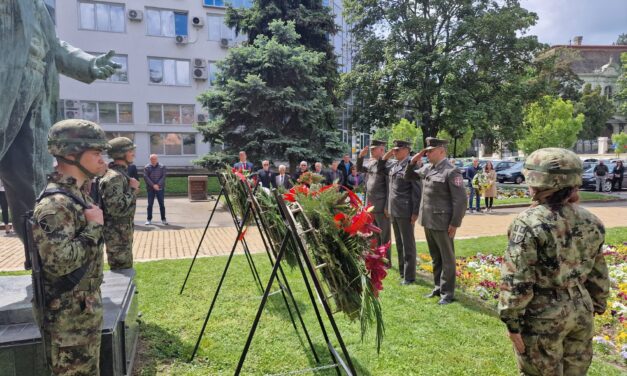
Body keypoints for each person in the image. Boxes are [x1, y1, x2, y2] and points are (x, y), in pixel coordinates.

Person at [0, 0, 120, 244]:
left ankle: (45, 260)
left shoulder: (38, 5)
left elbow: (53, 46)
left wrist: (89, 63)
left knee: (33, 177)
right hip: (5, 77)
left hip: (34, 87)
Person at [498, 147, 609, 375]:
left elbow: (517, 277)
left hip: (543, 315)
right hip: (581, 311)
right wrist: (597, 302)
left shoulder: (528, 223)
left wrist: (512, 322)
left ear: (537, 181)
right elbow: (599, 271)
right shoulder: (591, 220)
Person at [31, 119, 108, 375]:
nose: (101, 160)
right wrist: (95, 226)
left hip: (81, 310)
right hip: (67, 317)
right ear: (71, 154)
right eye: (96, 153)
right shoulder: (55, 204)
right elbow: (60, 261)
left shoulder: (77, 195)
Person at [406, 138, 467, 304]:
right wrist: (413, 161)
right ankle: (438, 288)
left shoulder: (451, 171)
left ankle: (447, 294)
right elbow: (409, 175)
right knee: (436, 257)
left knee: (447, 258)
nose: (427, 153)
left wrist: (455, 223)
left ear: (441, 151)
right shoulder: (428, 168)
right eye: (426, 151)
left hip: (443, 222)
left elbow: (460, 200)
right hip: (429, 220)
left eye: (430, 151)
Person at [98, 137, 139, 270]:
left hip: (121, 234)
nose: (133, 153)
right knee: (121, 270)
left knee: (124, 268)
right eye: (131, 150)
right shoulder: (115, 177)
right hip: (117, 236)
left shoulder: (119, 174)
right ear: (121, 153)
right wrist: (133, 189)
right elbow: (116, 209)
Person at [383, 140, 421, 284]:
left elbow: (417, 190)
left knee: (408, 244)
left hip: (406, 211)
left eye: (397, 150)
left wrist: (415, 212)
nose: (394, 152)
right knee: (399, 243)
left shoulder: (411, 166)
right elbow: (391, 189)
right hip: (395, 209)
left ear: (406, 150)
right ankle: (402, 272)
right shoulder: (395, 165)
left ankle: (409, 276)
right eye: (394, 150)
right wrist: (388, 206)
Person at [357, 141, 391, 265]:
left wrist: (388, 206)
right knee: (374, 235)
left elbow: (389, 188)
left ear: (382, 150)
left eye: (374, 149)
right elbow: (360, 169)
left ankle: (386, 262)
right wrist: (360, 156)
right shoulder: (372, 163)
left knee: (385, 235)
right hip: (371, 205)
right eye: (371, 149)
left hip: (382, 206)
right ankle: (376, 259)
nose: (371, 151)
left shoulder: (386, 166)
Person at [144, 154, 167, 225]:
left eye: (154, 159)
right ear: (150, 159)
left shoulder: (162, 167)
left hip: (160, 188)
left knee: (161, 204)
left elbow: (163, 176)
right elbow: (146, 177)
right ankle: (149, 219)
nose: (153, 160)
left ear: (157, 159)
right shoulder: (146, 167)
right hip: (150, 189)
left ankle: (163, 219)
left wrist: (158, 185)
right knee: (150, 204)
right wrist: (153, 185)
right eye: (152, 159)